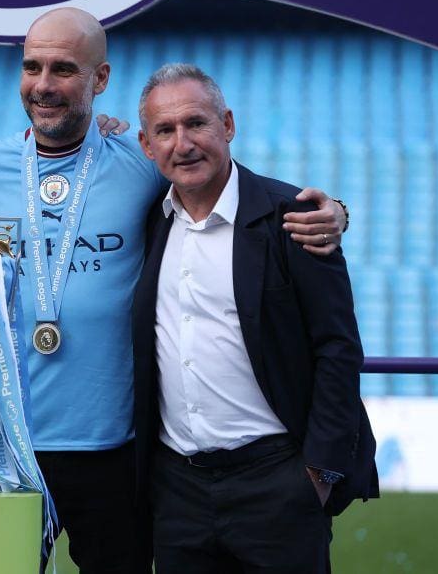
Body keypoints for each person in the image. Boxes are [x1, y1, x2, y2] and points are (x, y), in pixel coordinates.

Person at [0, 9, 347, 573]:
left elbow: (232, 185)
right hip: (5, 446)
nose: (44, 84)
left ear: (100, 79)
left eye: (64, 68)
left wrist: (336, 212)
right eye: (32, 67)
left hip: (115, 452)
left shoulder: (141, 165)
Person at [131, 63, 378, 573]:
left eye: (196, 123)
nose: (183, 143)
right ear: (146, 144)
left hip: (278, 483)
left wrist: (318, 473)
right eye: (165, 130)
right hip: (178, 490)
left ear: (228, 125)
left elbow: (338, 346)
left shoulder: (295, 218)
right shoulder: (146, 219)